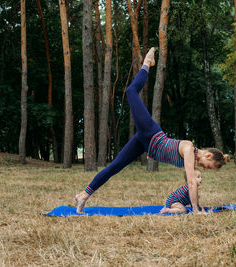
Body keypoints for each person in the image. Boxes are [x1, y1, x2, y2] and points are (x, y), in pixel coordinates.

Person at [75, 47, 227, 214]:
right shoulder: (189, 149)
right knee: (131, 91)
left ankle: (83, 195)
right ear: (208, 155)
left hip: (145, 144)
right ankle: (147, 63)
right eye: (209, 166)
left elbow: (190, 185)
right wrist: (197, 211)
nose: (205, 169)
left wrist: (194, 207)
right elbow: (191, 182)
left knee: (115, 166)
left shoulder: (192, 153)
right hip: (151, 134)